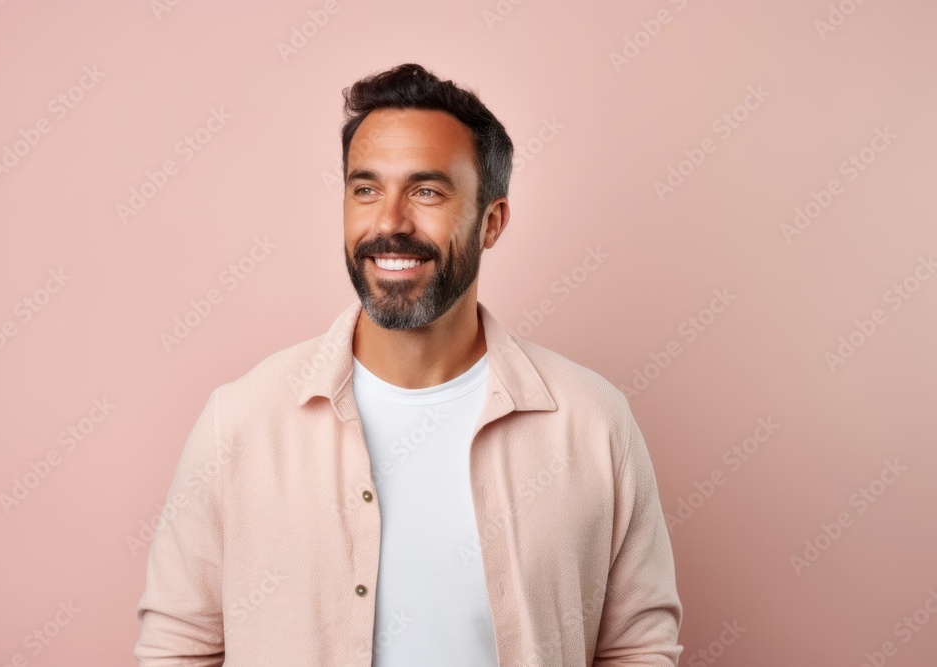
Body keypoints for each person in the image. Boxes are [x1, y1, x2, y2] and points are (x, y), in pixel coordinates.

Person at [134, 62, 683, 666]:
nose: (390, 222)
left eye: (427, 191)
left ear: (491, 222)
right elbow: (177, 650)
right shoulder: (240, 421)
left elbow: (637, 647)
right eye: (365, 189)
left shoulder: (592, 423)